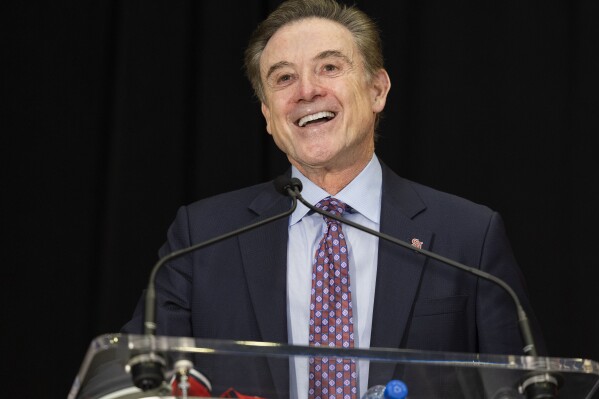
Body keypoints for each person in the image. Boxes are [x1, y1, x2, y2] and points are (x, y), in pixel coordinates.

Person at [123, 0, 545, 398]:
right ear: (269, 116)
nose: (306, 90)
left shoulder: (468, 236)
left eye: (329, 67)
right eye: (284, 78)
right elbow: (130, 379)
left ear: (378, 90)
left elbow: (526, 387)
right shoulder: (203, 237)